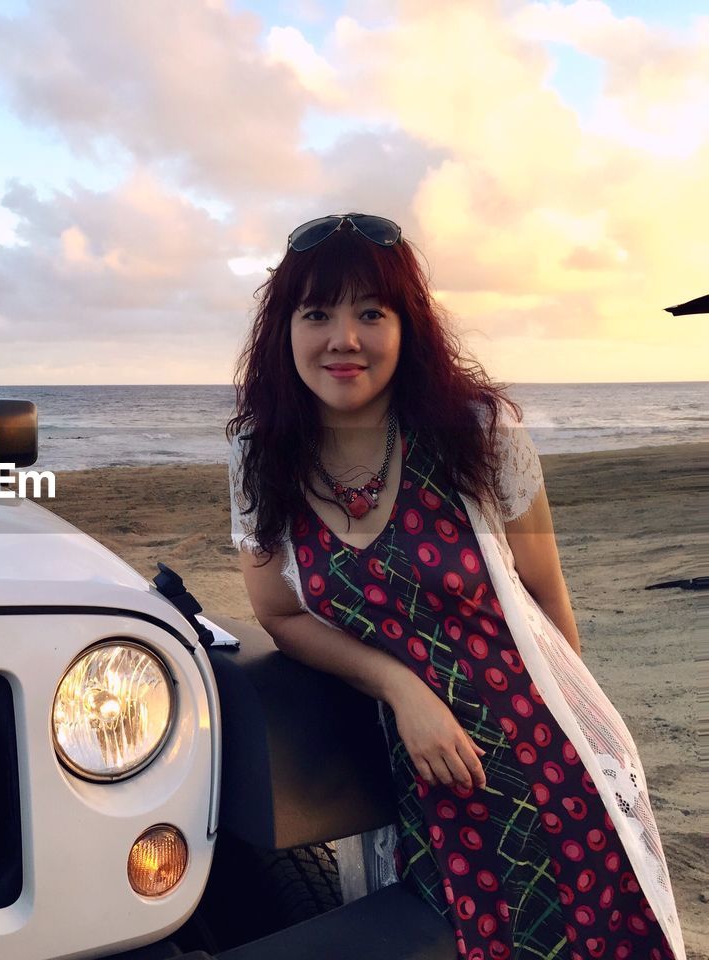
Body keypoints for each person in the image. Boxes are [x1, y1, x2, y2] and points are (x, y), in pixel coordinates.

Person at [227, 214, 685, 960]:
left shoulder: (475, 430)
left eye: (371, 312)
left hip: (550, 775)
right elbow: (279, 615)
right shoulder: (261, 457)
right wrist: (402, 689)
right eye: (317, 313)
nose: (343, 337)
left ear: (408, 327)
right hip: (416, 791)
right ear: (286, 329)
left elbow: (547, 601)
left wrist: (580, 761)